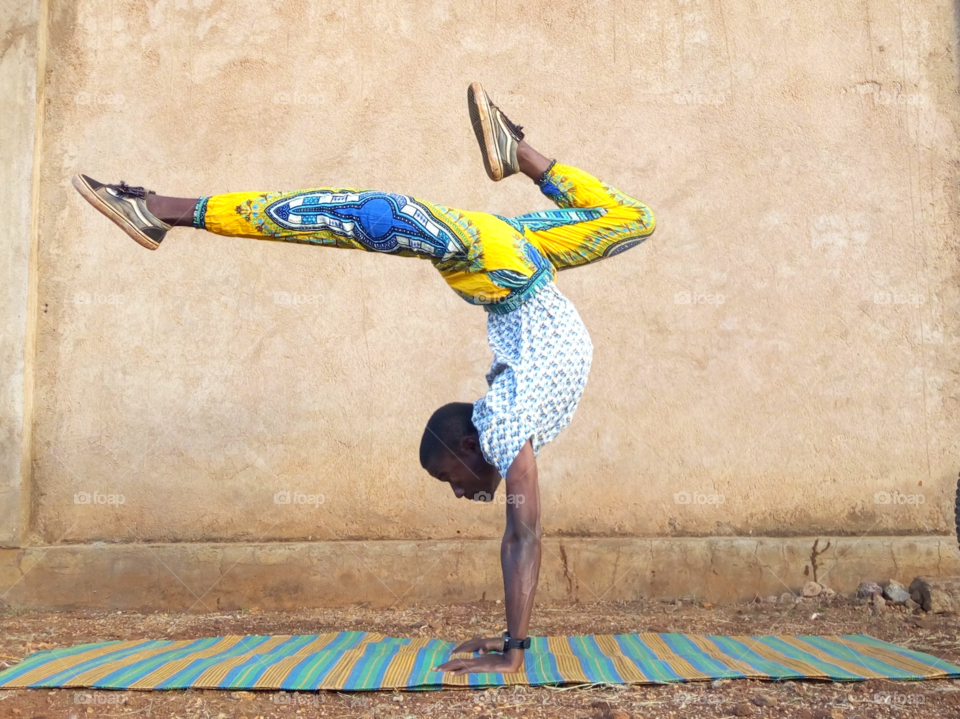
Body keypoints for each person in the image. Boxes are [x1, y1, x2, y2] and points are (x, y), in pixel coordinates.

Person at [72, 82, 657, 675]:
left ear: (465, 445)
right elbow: (523, 534)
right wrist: (514, 645)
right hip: (511, 264)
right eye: (452, 483)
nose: (457, 493)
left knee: (369, 215)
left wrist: (513, 647)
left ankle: (166, 209)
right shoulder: (508, 430)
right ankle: (163, 210)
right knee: (360, 217)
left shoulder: (502, 430)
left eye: (449, 480)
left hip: (501, 259)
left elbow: (520, 536)